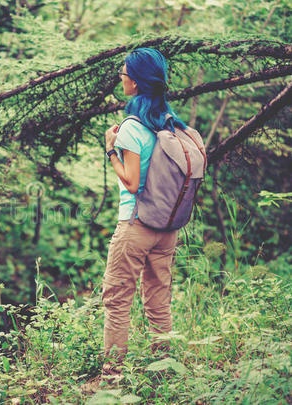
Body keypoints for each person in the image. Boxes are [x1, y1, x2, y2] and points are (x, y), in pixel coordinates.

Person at [100, 48, 187, 381]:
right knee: (158, 298)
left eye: (123, 73)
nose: (121, 77)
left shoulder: (132, 128)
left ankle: (112, 378)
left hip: (136, 224)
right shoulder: (170, 123)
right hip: (167, 227)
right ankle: (164, 373)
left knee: (117, 298)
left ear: (134, 82)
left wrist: (111, 149)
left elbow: (133, 182)